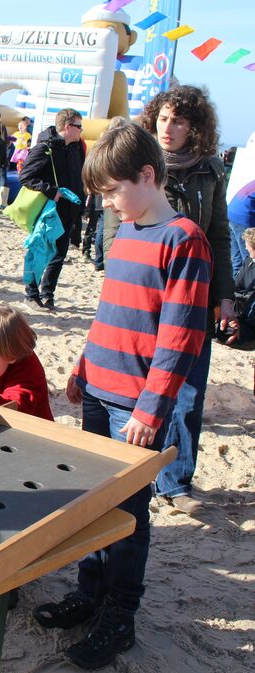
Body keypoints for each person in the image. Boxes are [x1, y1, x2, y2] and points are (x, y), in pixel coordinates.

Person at [38, 120, 212, 671]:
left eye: (114, 191)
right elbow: (109, 312)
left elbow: (179, 337)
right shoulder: (126, 233)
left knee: (127, 513)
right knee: (93, 502)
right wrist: (84, 366)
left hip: (135, 407)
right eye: (103, 195)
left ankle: (120, 615)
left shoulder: (184, 239)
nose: (110, 204)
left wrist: (151, 408)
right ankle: (90, 593)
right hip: (99, 391)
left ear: (147, 174)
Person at [103, 86, 235, 514]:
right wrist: (116, 266)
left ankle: (176, 482)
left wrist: (225, 297)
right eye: (163, 117)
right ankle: (145, 471)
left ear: (194, 127)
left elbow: (218, 234)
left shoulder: (210, 169)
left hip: (192, 293)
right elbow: (113, 226)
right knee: (146, 387)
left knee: (189, 393)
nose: (168, 127)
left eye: (178, 120)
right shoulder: (135, 166)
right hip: (144, 293)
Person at [20, 108, 85, 311]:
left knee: (59, 254)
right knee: (39, 250)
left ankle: (48, 294)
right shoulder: (45, 147)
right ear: (68, 127)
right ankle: (31, 295)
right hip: (48, 211)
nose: (82, 131)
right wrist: (50, 190)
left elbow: (79, 175)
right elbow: (26, 176)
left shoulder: (76, 148)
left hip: (69, 210)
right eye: (79, 126)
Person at [81, 193, 105, 271]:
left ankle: (86, 250)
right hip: (101, 204)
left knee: (92, 228)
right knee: (99, 231)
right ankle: (97, 259)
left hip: (95, 203)